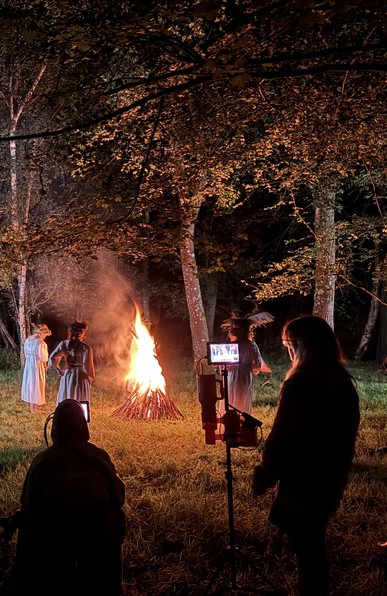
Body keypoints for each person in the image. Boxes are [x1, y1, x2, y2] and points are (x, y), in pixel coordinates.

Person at [252, 315, 360, 596]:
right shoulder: (342, 382)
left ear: (301, 346)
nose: (288, 350)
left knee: (307, 545)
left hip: (304, 479)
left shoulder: (300, 384)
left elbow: (283, 435)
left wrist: (266, 472)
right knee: (313, 541)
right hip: (331, 475)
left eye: (289, 344)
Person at [14, 399, 126, 596]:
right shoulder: (99, 456)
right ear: (82, 426)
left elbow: (28, 504)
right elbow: (119, 495)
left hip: (53, 540)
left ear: (55, 427)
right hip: (96, 539)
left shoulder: (43, 461)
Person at [220, 317, 263, 414]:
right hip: (245, 376)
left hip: (231, 376)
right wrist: (249, 367)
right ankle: (242, 423)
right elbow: (257, 367)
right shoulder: (252, 345)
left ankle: (228, 422)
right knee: (243, 400)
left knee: (230, 397)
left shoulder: (230, 347)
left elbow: (224, 366)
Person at [49, 321, 95, 405]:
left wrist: (58, 369)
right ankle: (78, 415)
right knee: (79, 397)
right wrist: (89, 378)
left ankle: (65, 412)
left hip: (68, 373)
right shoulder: (86, 348)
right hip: (81, 376)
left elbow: (53, 357)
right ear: (81, 334)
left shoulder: (64, 344)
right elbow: (87, 366)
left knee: (67, 394)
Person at [21, 324, 52, 413]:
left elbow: (26, 354)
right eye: (45, 334)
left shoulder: (27, 340)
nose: (45, 337)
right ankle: (34, 408)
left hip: (29, 364)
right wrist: (45, 365)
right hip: (37, 365)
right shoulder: (41, 343)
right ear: (41, 333)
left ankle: (32, 407)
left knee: (31, 383)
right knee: (36, 383)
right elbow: (44, 357)